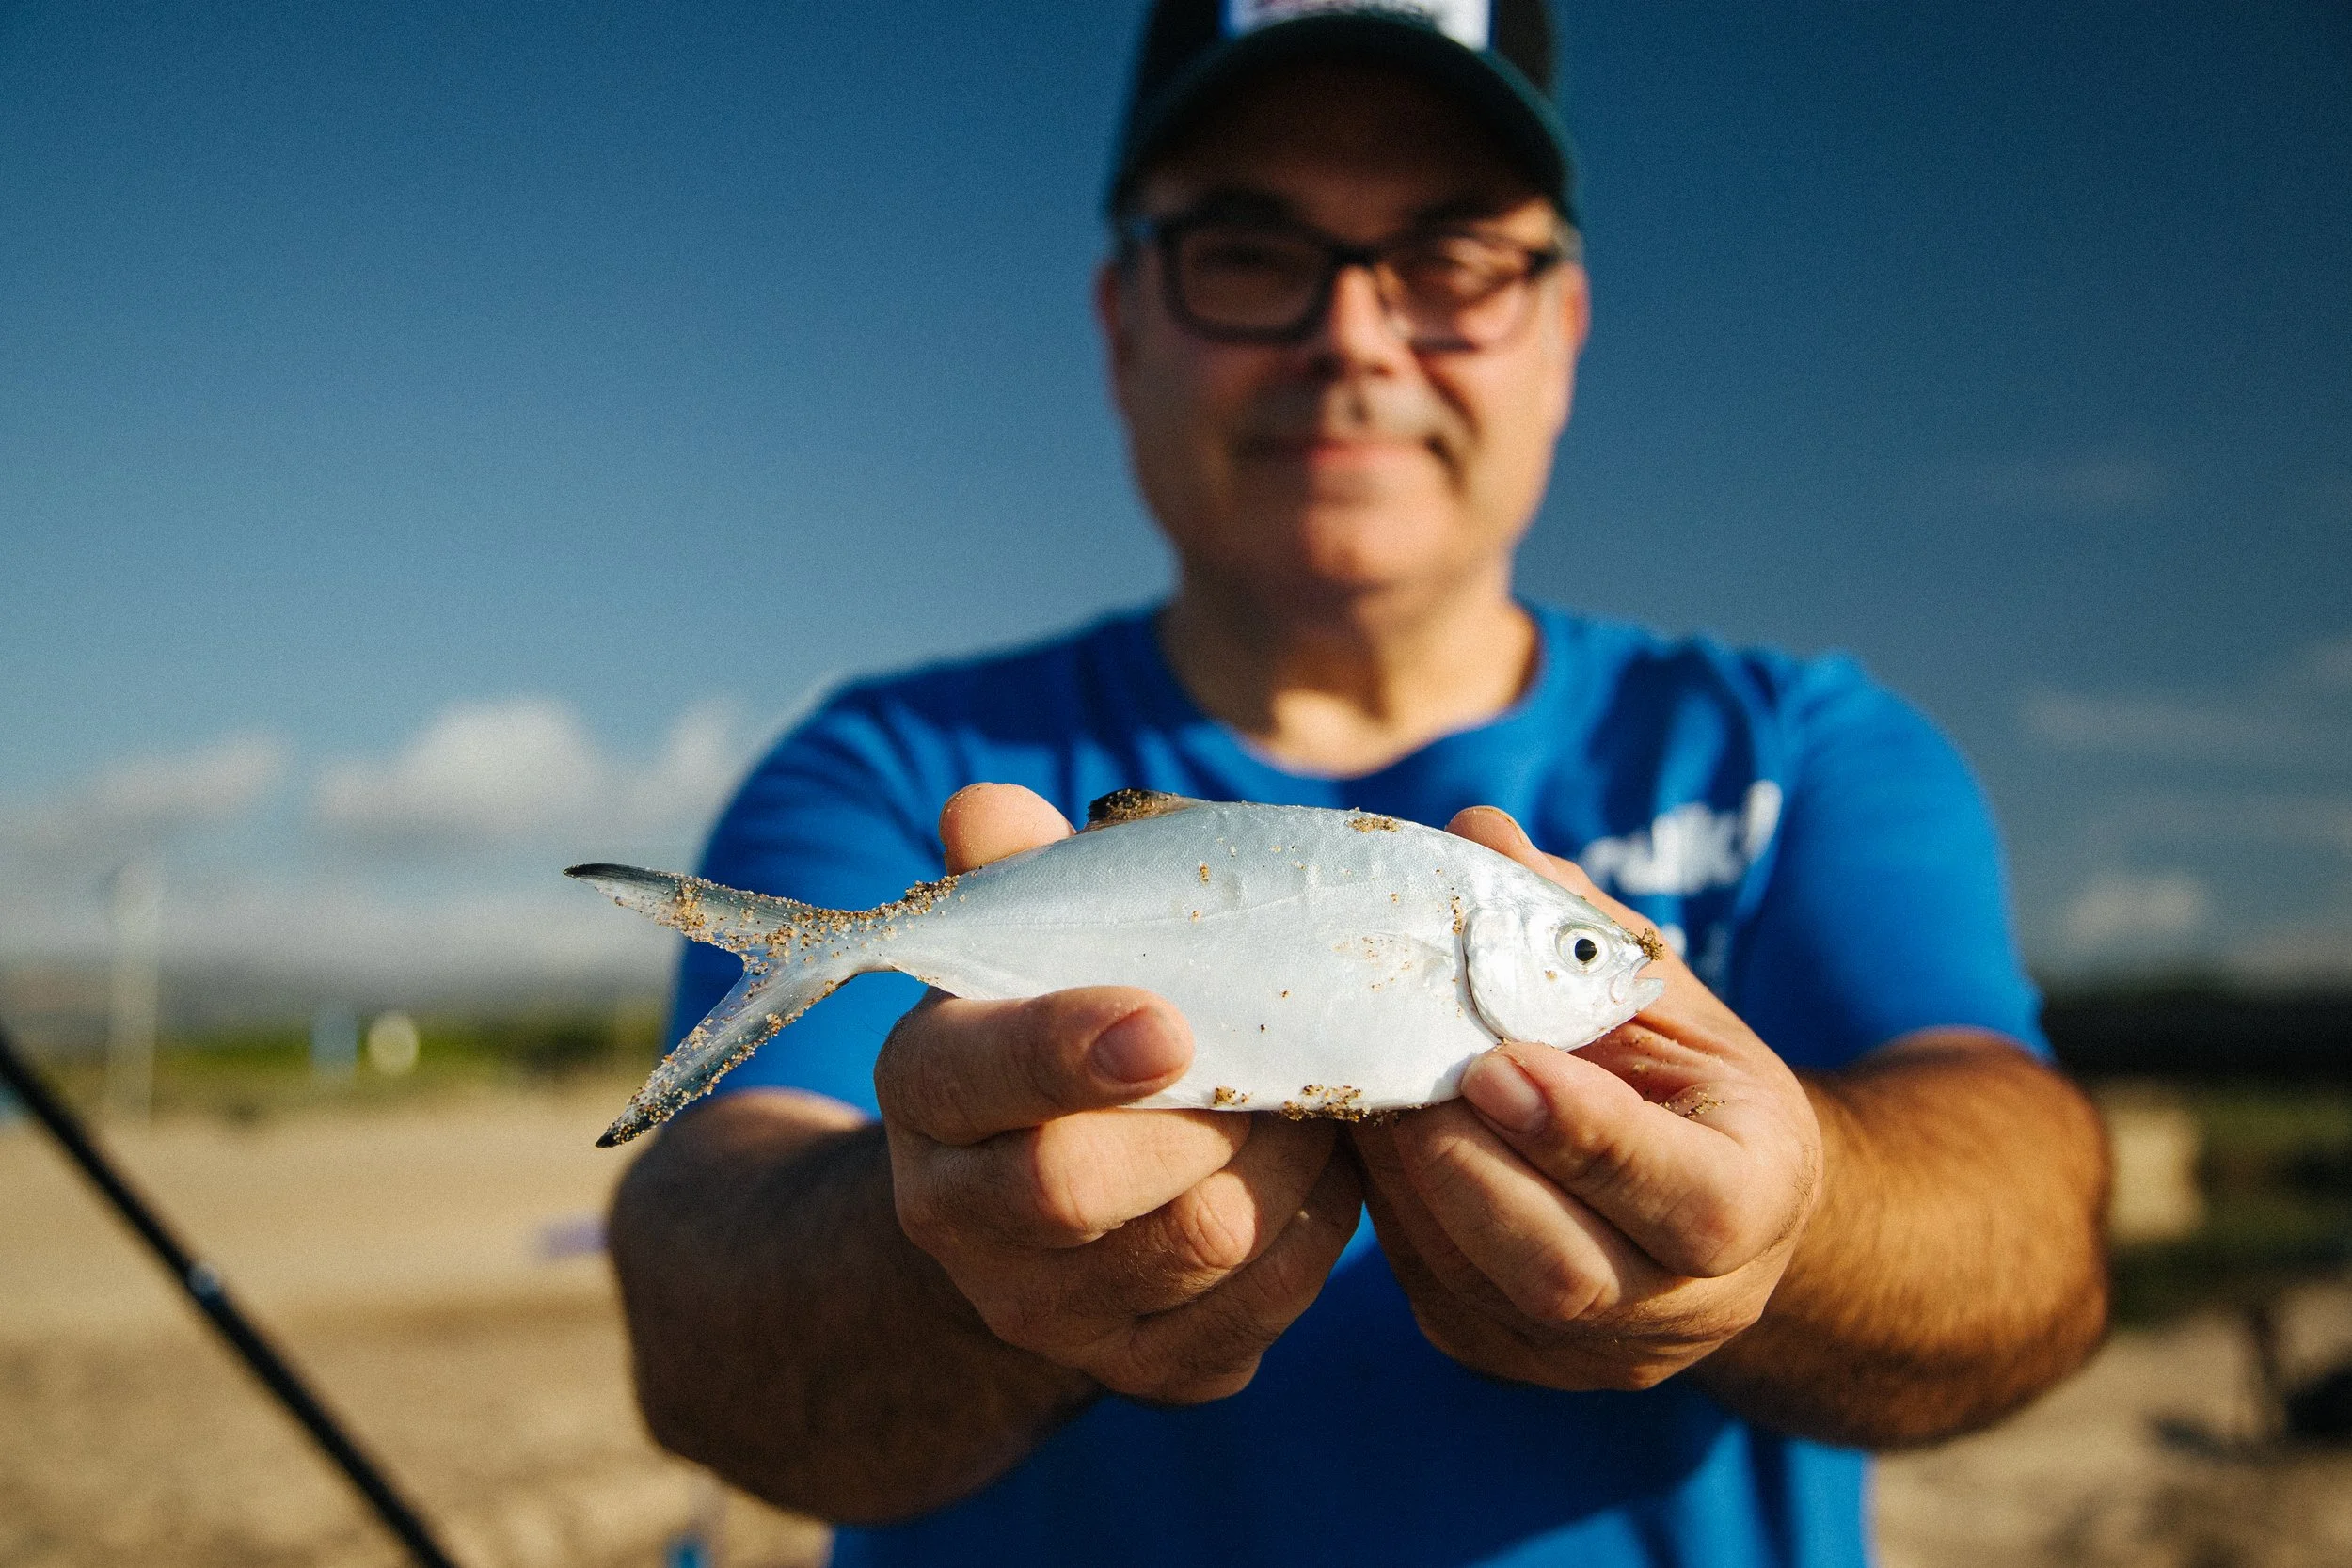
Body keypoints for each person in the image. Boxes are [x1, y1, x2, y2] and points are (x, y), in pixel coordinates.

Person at [607, 4, 2110, 1564]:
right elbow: (701, 1315)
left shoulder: (1799, 751)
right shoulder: (890, 768)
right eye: (1252, 252)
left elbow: (2037, 1223)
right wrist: (962, 1261)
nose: (1356, 337)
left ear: (1564, 330)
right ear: (1124, 324)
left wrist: (1791, 1230)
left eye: (1452, 261)